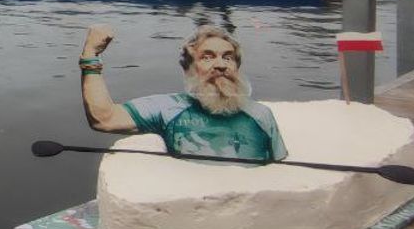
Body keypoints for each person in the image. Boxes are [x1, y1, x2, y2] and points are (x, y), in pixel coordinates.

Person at [76, 24, 287, 163]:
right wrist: (90, 55)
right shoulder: (169, 109)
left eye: (228, 57)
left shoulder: (261, 115)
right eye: (207, 57)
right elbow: (105, 119)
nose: (221, 65)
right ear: (189, 68)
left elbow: (279, 172)